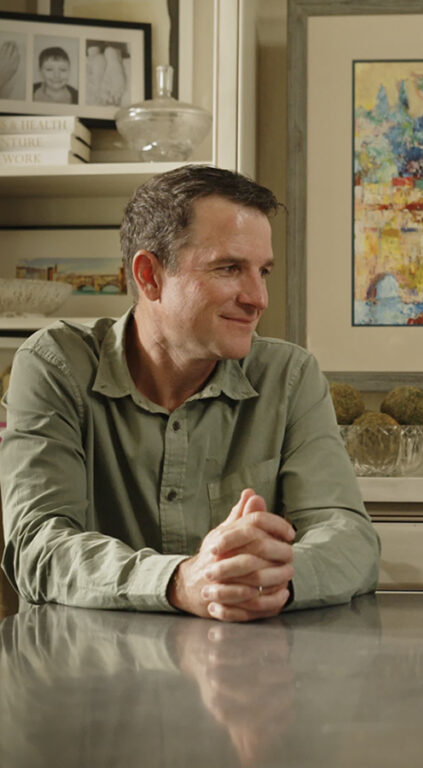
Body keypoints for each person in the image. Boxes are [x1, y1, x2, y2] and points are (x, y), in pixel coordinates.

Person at [0, 165, 380, 622]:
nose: (258, 297)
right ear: (149, 276)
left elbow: (351, 539)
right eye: (229, 268)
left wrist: (259, 576)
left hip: (248, 676)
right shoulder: (55, 366)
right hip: (89, 675)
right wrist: (181, 580)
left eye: (263, 271)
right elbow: (39, 547)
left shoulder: (290, 376)